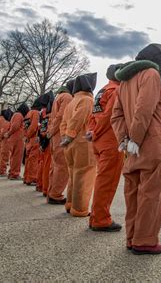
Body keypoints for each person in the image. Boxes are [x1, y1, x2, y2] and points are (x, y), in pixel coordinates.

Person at [111, 43, 161, 255]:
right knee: (151, 193)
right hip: (152, 143)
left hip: (131, 147)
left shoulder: (123, 83)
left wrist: (125, 140)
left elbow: (116, 115)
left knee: (133, 193)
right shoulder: (151, 74)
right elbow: (144, 108)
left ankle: (132, 237)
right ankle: (144, 240)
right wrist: (135, 137)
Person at [87, 64, 124, 232]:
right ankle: (101, 219)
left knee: (101, 179)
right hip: (110, 140)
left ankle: (97, 215)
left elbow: (93, 116)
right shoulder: (116, 90)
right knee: (107, 181)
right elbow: (109, 116)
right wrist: (95, 132)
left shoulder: (102, 91)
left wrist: (91, 132)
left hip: (98, 141)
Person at [60, 73, 97, 217]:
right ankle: (80, 209)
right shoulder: (87, 100)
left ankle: (70, 204)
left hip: (69, 144)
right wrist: (70, 135)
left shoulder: (71, 102)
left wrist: (65, 137)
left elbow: (63, 122)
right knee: (84, 175)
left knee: (73, 175)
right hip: (82, 142)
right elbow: (79, 119)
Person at [46, 80, 74, 204]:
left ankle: (51, 191)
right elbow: (61, 117)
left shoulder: (59, 96)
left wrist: (50, 132)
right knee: (62, 167)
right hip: (59, 135)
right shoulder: (67, 97)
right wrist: (53, 131)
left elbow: (55, 117)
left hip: (54, 136)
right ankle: (55, 194)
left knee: (55, 166)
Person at [36, 91, 55, 195]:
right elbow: (49, 128)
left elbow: (40, 127)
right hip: (47, 141)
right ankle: (45, 188)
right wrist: (45, 143)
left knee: (41, 163)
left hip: (42, 140)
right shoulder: (50, 113)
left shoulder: (40, 112)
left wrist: (41, 142)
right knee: (48, 166)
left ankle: (40, 184)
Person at [4, 103, 28, 180]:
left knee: (14, 156)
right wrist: (9, 133)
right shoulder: (19, 115)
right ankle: (14, 174)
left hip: (14, 138)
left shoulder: (16, 115)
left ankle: (12, 172)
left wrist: (8, 133)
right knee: (17, 157)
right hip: (17, 138)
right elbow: (15, 126)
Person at [23, 100, 42, 185]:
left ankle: (26, 177)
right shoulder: (36, 113)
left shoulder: (28, 113)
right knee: (34, 159)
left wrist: (27, 136)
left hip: (28, 139)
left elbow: (26, 126)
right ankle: (32, 178)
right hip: (34, 138)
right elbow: (34, 126)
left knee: (28, 159)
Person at [0, 109, 13, 176]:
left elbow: (2, 133)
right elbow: (3, 133)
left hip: (4, 141)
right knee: (5, 157)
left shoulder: (5, 123)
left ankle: (2, 170)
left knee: (3, 156)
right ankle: (2, 171)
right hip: (6, 141)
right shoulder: (7, 123)